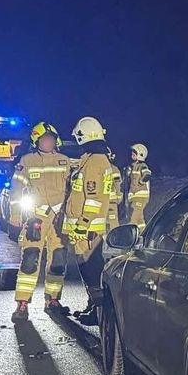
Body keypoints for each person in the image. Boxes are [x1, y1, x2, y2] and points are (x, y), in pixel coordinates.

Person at [9, 122, 72, 321]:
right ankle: (22, 304)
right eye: (43, 139)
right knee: (30, 259)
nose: (47, 142)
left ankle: (53, 300)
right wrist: (15, 214)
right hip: (36, 217)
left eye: (50, 139)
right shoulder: (27, 161)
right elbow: (16, 189)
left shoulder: (65, 161)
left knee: (59, 260)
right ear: (36, 141)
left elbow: (74, 189)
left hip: (59, 219)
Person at [62, 116, 113, 327]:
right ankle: (94, 307)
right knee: (90, 269)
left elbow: (93, 198)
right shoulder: (95, 159)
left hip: (88, 230)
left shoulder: (94, 162)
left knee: (90, 270)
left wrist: (82, 225)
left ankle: (99, 312)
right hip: (89, 229)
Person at [123, 143, 152, 231]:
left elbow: (147, 174)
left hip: (140, 196)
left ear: (140, 154)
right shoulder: (133, 166)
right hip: (134, 196)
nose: (132, 155)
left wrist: (141, 182)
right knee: (139, 219)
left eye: (134, 153)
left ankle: (129, 233)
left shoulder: (142, 166)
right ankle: (143, 232)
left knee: (134, 217)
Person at [106, 150, 123, 231]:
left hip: (105, 201)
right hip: (111, 201)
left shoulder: (98, 168)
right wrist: (119, 196)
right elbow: (118, 184)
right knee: (113, 223)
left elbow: (117, 184)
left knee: (108, 223)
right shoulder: (113, 169)